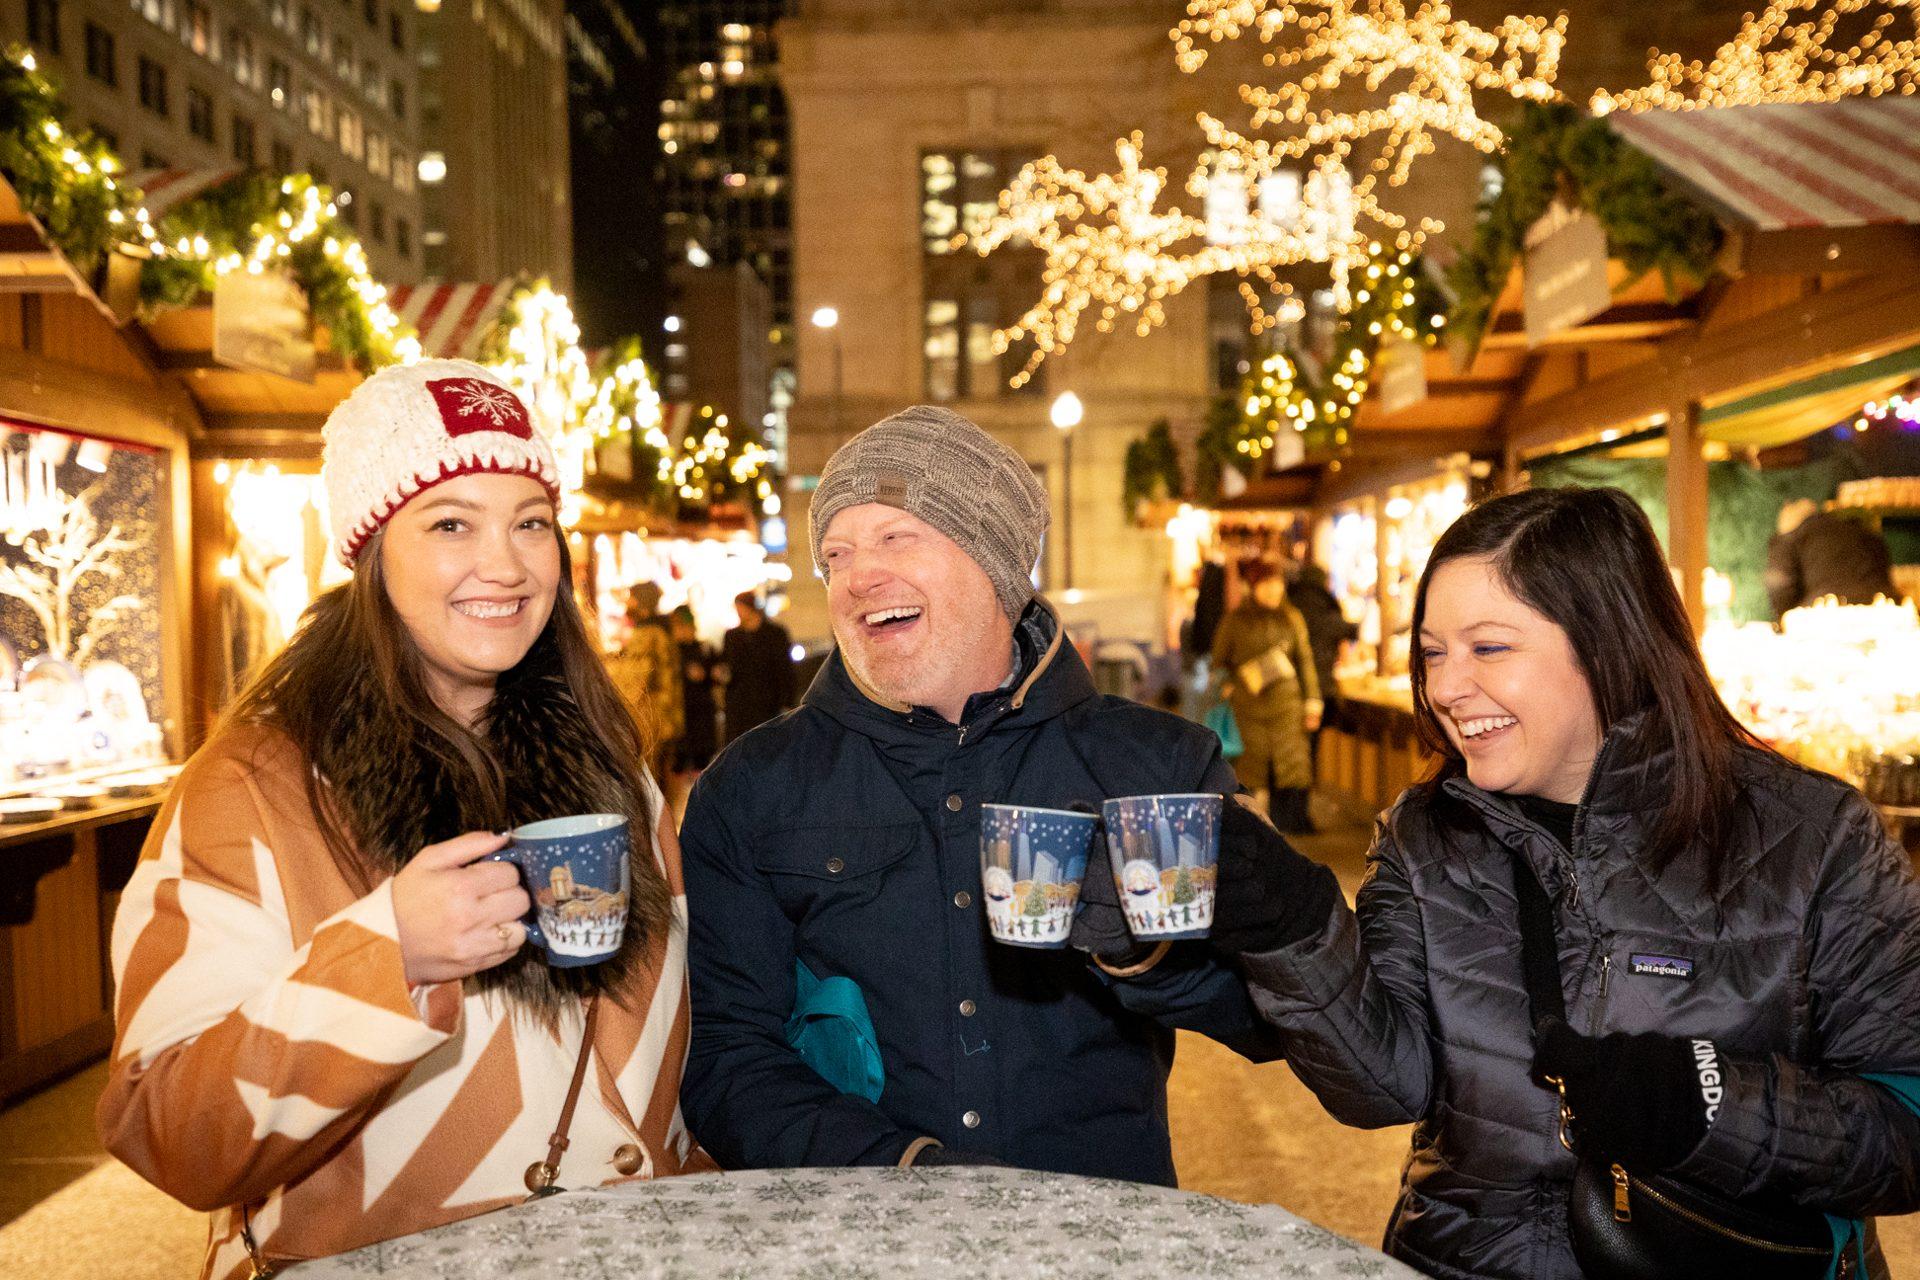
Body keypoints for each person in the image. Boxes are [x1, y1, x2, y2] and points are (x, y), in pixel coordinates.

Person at [1201, 486, 1920, 1279]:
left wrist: (1710, 1106)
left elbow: (1906, 1128)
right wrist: (1297, 932)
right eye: (1434, 652)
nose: (1445, 686)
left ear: (1606, 644)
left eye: (1490, 648)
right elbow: (1384, 1087)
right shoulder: (1422, 832)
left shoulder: (1814, 836)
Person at [97, 360, 711, 1280]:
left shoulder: (612, 765)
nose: (505, 565)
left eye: (531, 523)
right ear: (372, 552)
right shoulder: (251, 786)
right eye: (451, 523)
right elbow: (172, 1131)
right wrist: (387, 955)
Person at [679, 405, 1277, 1181]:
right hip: (863, 1242)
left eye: (898, 537)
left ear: (995, 561)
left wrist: (1149, 956)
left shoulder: (1158, 765)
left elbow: (1267, 1020)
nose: (859, 576)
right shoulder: (753, 787)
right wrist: (905, 1171)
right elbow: (726, 1056)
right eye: (837, 554)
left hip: (1099, 1235)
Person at [1209, 559, 1320, 834]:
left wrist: (1312, 702)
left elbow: (1305, 660)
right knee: (1253, 769)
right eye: (1266, 584)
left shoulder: (1292, 617)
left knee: (1291, 767)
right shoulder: (1235, 620)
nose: (1273, 590)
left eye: (1277, 583)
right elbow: (1219, 661)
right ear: (1253, 587)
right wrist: (1231, 681)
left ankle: (1290, 827)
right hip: (1249, 709)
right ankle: (1255, 829)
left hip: (1287, 706)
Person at [1765, 496, 1897, 620]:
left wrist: (1784, 619)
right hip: (1884, 612)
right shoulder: (1863, 532)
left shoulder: (1792, 538)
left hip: (1826, 616)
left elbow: (1779, 586)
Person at [1286, 560, 1357, 767]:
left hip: (1288, 691)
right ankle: (1306, 787)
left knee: (1290, 750)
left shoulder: (1290, 608)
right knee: (1310, 750)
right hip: (1320, 690)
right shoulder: (1327, 611)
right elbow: (1353, 631)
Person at [607, 580, 682, 775]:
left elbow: (636, 678)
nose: (628, 602)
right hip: (663, 717)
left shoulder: (647, 634)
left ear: (641, 601)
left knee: (649, 777)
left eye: (632, 597)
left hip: (650, 717)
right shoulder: (662, 630)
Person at [718, 591, 795, 743]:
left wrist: (786, 701)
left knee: (767, 745)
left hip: (767, 703)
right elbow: (727, 665)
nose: (738, 612)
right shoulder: (732, 636)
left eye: (740, 607)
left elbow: (785, 670)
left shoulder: (775, 634)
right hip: (739, 705)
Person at [670, 605, 719, 773]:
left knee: (701, 764)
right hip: (679, 716)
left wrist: (709, 674)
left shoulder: (704, 648)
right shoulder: (670, 652)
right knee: (677, 765)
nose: (682, 631)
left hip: (700, 715)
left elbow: (716, 673)